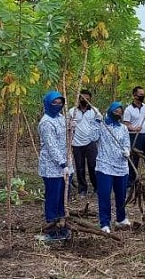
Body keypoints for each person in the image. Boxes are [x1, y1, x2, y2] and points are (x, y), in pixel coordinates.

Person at [38, 90, 71, 241]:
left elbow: (66, 138)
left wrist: (72, 127)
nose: (58, 105)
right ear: (48, 104)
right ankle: (52, 228)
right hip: (52, 167)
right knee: (53, 197)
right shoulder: (46, 122)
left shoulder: (61, 118)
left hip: (65, 165)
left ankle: (62, 226)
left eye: (60, 103)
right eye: (54, 103)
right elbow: (52, 146)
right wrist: (62, 164)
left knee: (62, 197)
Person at [95, 101, 132, 233]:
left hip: (121, 166)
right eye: (115, 111)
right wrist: (96, 122)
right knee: (104, 194)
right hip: (104, 165)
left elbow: (126, 143)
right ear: (110, 111)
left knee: (121, 194)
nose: (118, 114)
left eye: (120, 112)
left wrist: (127, 151)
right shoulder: (102, 126)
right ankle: (105, 222)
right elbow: (92, 137)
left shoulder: (123, 128)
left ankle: (121, 219)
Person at [123, 86, 145, 189]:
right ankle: (131, 183)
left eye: (143, 95)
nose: (143, 96)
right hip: (134, 136)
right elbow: (126, 124)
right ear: (134, 95)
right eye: (140, 95)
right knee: (133, 160)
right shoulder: (128, 110)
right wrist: (134, 128)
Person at [68, 89, 101, 198]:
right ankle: (82, 189)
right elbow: (66, 126)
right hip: (76, 143)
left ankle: (97, 187)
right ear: (79, 98)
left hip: (90, 142)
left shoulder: (94, 111)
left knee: (93, 165)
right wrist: (70, 125)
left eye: (87, 98)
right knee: (79, 167)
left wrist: (95, 135)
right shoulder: (72, 111)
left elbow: (99, 123)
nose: (85, 100)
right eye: (83, 98)